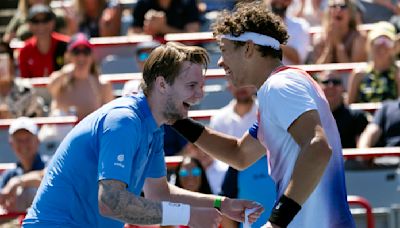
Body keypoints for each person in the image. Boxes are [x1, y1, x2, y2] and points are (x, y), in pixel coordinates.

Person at [23, 42, 263, 228]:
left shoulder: (152, 125)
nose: (200, 95)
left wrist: (222, 204)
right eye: (191, 86)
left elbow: (160, 194)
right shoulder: (124, 121)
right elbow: (111, 202)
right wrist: (188, 215)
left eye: (201, 86)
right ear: (161, 84)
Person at [171, 2, 354, 227]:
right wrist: (177, 120)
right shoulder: (284, 85)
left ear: (248, 49)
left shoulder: (279, 86)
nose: (220, 61)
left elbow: (317, 147)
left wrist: (276, 221)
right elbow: (239, 154)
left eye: (225, 50)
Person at [211, 81, 276, 228]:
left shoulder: (268, 113)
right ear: (228, 86)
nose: (241, 87)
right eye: (236, 83)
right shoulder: (218, 118)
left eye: (244, 83)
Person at [47, 33, 114, 120]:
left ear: (92, 56)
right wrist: (64, 73)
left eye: (86, 52)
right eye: (76, 52)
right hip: (63, 131)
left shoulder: (102, 84)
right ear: (68, 55)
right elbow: (50, 89)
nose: (81, 57)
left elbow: (109, 116)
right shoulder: (60, 78)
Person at [347, 21, 400, 104]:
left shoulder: (398, 73)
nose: (382, 46)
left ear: (393, 47)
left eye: (388, 42)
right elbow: (349, 106)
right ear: (370, 44)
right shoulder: (359, 74)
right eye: (378, 40)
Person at [0, 117, 46, 212]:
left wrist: (17, 182)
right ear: (11, 144)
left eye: (27, 139)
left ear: (37, 141)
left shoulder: (51, 164)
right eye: (19, 140)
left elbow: (48, 177)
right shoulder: (9, 175)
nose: (23, 144)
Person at [318, 70, 368, 148]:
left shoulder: (357, 117)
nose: (331, 86)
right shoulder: (311, 118)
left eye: (336, 82)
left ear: (343, 88)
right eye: (326, 82)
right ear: (318, 87)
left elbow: (361, 154)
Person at [18, 4, 68, 78]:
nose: (41, 25)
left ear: (53, 22)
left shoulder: (66, 44)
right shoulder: (24, 50)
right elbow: (25, 80)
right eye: (35, 21)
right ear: (29, 24)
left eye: (46, 20)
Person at [0, 41, 46, 119]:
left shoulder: (26, 90)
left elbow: (33, 124)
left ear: (12, 61)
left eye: (3, 55)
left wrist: (11, 118)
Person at [266, 0, 311, 65]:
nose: (279, 1)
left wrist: (273, 42)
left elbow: (298, 58)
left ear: (290, 2)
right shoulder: (258, 25)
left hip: (289, 74)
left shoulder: (300, 26)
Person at [129, 0, 201, 37]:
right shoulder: (143, 3)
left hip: (184, 54)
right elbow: (132, 35)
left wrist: (163, 29)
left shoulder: (187, 2)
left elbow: (192, 38)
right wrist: (148, 31)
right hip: (150, 55)